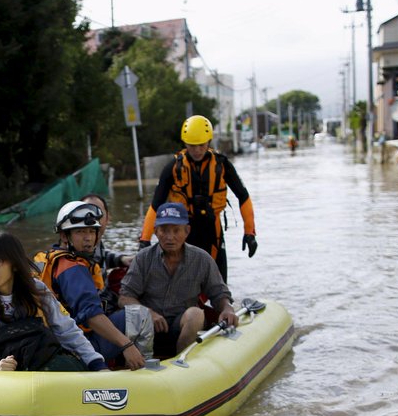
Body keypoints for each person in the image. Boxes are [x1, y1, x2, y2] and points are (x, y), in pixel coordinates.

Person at [0, 231, 107, 372]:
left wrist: (96, 363)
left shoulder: (38, 291)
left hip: (40, 362)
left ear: (15, 264)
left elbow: (67, 331)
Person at [138, 115, 257, 282]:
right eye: (192, 146)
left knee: (218, 280)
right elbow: (156, 205)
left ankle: (220, 304)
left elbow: (243, 196)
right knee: (186, 280)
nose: (197, 150)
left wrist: (249, 233)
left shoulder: (222, 165)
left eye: (201, 145)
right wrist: (145, 239)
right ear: (185, 144)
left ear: (208, 142)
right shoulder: (173, 167)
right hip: (183, 230)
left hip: (212, 229)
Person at [34, 201, 150, 370]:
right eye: (80, 232)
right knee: (141, 313)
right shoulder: (73, 268)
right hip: (78, 347)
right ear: (65, 236)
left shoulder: (49, 258)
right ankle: (144, 365)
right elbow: (91, 316)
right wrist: (126, 345)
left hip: (52, 340)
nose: (88, 238)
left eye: (91, 231)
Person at [119, 202, 238, 358]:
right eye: (164, 231)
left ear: (187, 231)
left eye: (176, 231)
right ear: (156, 232)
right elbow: (124, 297)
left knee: (196, 314)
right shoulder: (143, 258)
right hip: (148, 328)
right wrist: (149, 313)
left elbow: (219, 294)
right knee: (137, 314)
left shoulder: (202, 259)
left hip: (183, 326)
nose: (170, 237)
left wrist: (227, 308)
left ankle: (181, 360)